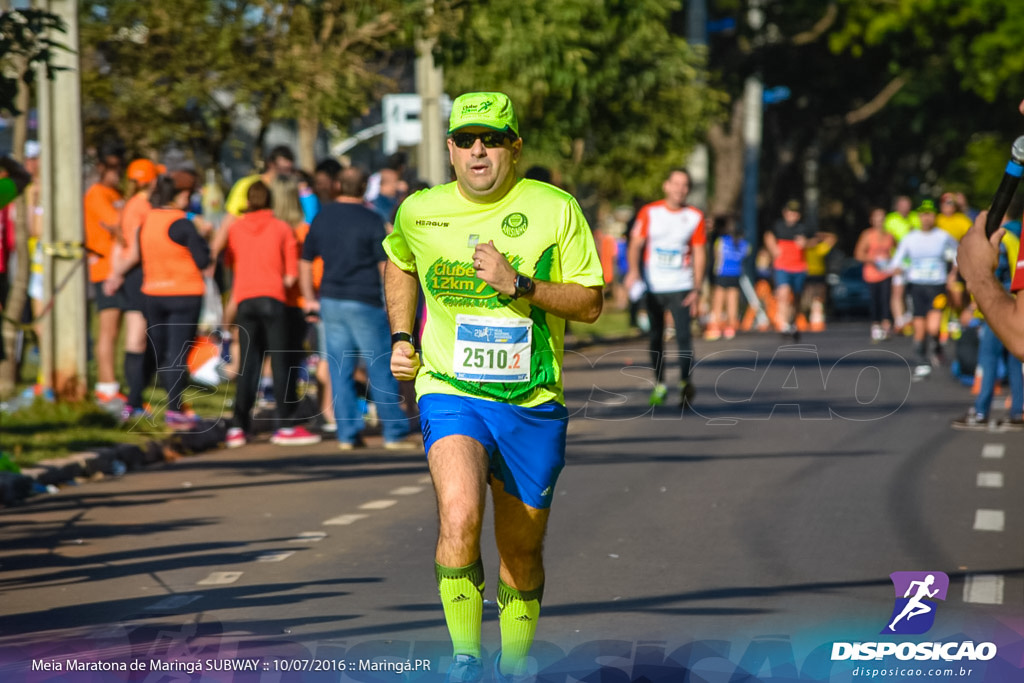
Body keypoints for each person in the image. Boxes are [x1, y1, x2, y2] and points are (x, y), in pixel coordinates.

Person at [383, 91, 604, 683]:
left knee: (521, 550)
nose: (478, 150)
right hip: (450, 388)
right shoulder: (419, 212)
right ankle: (464, 660)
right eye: (465, 139)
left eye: (492, 139)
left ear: (514, 147)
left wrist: (520, 284)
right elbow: (399, 260)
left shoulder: (554, 209)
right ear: (450, 149)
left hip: (532, 403)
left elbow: (590, 303)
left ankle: (514, 665)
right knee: (459, 514)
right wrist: (403, 335)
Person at [301, 166, 414, 451]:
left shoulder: (322, 216)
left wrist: (308, 296)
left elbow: (305, 260)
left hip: (331, 300)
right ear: (364, 187)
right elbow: (383, 265)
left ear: (338, 185)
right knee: (379, 367)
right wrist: (393, 302)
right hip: (365, 301)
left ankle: (347, 434)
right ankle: (394, 432)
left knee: (340, 369)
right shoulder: (371, 219)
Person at [222, 181, 319, 448]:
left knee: (248, 365)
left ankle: (238, 426)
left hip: (244, 300)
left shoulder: (236, 228)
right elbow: (290, 276)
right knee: (280, 362)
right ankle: (285, 424)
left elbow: (229, 263)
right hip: (274, 299)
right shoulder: (281, 228)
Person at [624, 168, 706, 408]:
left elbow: (700, 252)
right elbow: (635, 244)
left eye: (685, 185)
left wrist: (697, 286)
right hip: (653, 285)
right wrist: (634, 272)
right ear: (666, 186)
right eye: (676, 184)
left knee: (683, 336)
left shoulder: (694, 216)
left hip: (681, 285)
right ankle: (659, 384)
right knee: (655, 336)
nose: (680, 189)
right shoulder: (650, 212)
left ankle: (684, 383)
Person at [138, 171, 211, 428]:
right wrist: (205, 237)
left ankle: (136, 401)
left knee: (160, 352)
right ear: (180, 196)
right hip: (184, 293)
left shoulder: (147, 220)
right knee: (178, 353)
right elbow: (203, 259)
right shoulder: (182, 223)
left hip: (153, 292)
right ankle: (174, 408)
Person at [104, 158, 164, 419]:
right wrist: (117, 273)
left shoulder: (129, 204)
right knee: (139, 337)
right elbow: (137, 249)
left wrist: (115, 271)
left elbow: (119, 242)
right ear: (152, 180)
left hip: (129, 274)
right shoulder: (142, 206)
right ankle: (135, 402)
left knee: (136, 336)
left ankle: (135, 400)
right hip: (138, 274)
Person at [952, 211, 1022, 430]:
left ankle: (981, 410)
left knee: (988, 359)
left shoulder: (1000, 239)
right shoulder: (1015, 239)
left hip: (1001, 310)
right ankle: (1019, 410)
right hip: (1011, 306)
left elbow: (994, 273)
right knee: (1014, 363)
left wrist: (977, 281)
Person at [887, 200, 958, 378]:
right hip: (917, 286)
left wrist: (953, 274)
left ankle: (936, 344)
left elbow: (958, 254)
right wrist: (900, 268)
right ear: (919, 216)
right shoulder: (910, 238)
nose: (927, 218)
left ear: (934, 216)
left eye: (930, 214)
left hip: (937, 286)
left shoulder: (943, 236)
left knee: (934, 327)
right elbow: (897, 261)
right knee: (919, 327)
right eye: (923, 214)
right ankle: (921, 361)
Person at [83, 149, 126, 409]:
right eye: (111, 166)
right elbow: (117, 223)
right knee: (107, 330)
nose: (116, 171)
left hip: (119, 270)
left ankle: (111, 384)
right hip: (104, 270)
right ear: (100, 167)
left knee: (116, 330)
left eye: (119, 166)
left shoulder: (118, 194)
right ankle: (105, 386)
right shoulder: (97, 193)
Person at [763, 199, 817, 340]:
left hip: (799, 267)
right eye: (790, 212)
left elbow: (815, 241)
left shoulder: (804, 228)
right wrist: (773, 249)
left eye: (795, 213)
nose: (792, 215)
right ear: (785, 213)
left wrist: (806, 243)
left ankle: (793, 321)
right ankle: (784, 323)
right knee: (784, 293)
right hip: (782, 266)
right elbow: (768, 236)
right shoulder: (778, 226)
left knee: (797, 297)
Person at [854, 207, 896, 341]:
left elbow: (897, 252)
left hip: (886, 273)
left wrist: (891, 262)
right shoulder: (867, 235)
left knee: (886, 299)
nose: (880, 221)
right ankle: (876, 326)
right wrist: (873, 260)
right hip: (872, 273)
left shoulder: (890, 235)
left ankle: (886, 325)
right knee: (875, 301)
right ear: (872, 220)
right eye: (877, 218)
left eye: (882, 217)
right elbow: (858, 254)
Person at [705, 214, 748, 341]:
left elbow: (717, 257)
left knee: (719, 300)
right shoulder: (743, 242)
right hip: (736, 273)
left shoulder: (721, 240)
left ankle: (715, 327)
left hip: (722, 272)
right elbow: (745, 255)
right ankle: (730, 327)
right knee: (732, 300)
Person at [884, 195, 921, 332]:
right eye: (903, 205)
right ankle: (899, 321)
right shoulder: (890, 219)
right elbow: (886, 240)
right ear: (897, 206)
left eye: (908, 205)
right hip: (898, 261)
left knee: (914, 292)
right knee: (898, 291)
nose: (906, 208)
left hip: (915, 262)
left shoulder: (915, 217)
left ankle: (911, 319)